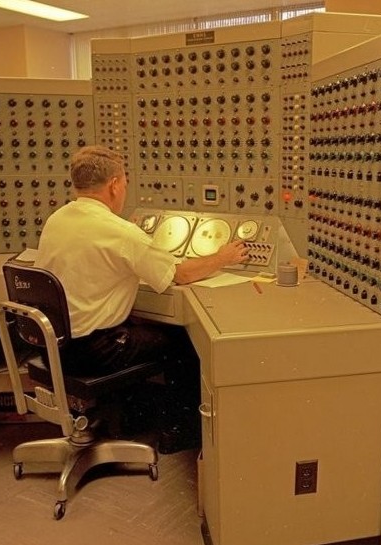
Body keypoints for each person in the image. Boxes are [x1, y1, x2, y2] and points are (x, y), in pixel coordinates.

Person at [34, 145, 248, 453]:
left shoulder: (58, 219)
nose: (124, 189)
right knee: (183, 341)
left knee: (138, 329)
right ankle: (179, 433)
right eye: (125, 183)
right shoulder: (119, 231)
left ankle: (133, 418)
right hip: (94, 351)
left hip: (54, 346)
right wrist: (223, 257)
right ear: (114, 185)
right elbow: (180, 275)